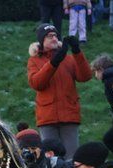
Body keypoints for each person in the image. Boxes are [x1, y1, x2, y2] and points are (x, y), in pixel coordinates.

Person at [27, 24, 93, 159]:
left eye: (55, 35)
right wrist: (54, 62)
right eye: (49, 36)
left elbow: (85, 76)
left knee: (71, 160)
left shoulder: (68, 59)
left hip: (69, 115)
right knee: (51, 160)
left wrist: (77, 52)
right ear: (41, 41)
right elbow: (37, 83)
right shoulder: (34, 60)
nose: (54, 38)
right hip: (47, 118)